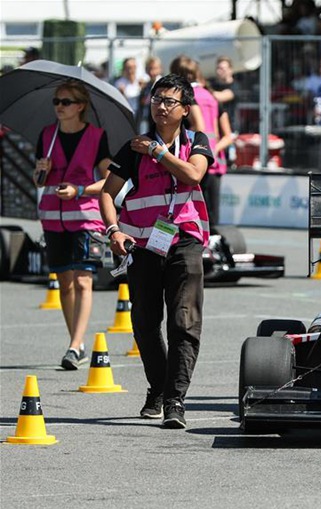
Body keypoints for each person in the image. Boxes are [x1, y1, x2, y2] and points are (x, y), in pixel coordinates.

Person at [99, 74, 214, 429]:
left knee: (184, 321)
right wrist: (113, 229)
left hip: (185, 241)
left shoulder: (197, 141)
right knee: (145, 323)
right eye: (156, 100)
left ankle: (175, 400)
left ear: (185, 109)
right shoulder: (133, 147)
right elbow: (107, 192)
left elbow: (193, 176)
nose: (161, 107)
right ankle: (159, 388)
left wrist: (158, 152)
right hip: (142, 245)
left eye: (170, 101)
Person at [35, 80, 112, 370]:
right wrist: (41, 172)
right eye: (56, 101)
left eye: (65, 102)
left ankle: (73, 345)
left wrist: (80, 190)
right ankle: (77, 344)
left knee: (83, 280)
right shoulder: (46, 135)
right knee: (65, 284)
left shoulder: (97, 136)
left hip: (86, 217)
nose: (59, 106)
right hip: (53, 218)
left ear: (80, 106)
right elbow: (38, 182)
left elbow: (109, 181)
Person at [170, 56, 227, 228]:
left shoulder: (187, 96)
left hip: (193, 156)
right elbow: (216, 131)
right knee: (211, 213)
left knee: (190, 207)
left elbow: (198, 126)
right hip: (213, 157)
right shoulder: (210, 95)